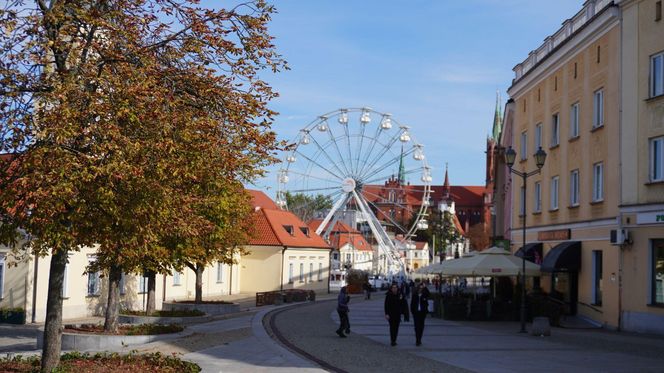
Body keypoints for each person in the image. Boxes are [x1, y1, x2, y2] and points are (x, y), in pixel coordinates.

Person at [410, 280, 431, 346]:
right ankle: (417, 340)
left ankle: (419, 339)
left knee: (421, 326)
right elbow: (412, 303)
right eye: (420, 288)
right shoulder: (415, 295)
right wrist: (412, 311)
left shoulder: (424, 295)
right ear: (418, 288)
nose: (420, 289)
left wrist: (425, 287)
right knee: (416, 327)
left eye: (422, 288)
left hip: (422, 313)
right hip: (416, 313)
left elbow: (428, 294)